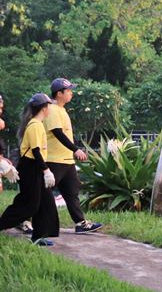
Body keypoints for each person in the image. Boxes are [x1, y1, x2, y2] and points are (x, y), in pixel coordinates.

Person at [0, 93, 59, 246]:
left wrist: (44, 170)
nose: (50, 109)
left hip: (36, 166)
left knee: (45, 202)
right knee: (29, 204)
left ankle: (38, 236)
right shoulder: (34, 125)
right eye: (49, 107)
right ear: (44, 108)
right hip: (30, 167)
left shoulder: (38, 124)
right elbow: (36, 151)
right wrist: (46, 171)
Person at [44, 78, 102, 233]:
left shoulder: (62, 109)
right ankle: (25, 220)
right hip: (54, 159)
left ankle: (81, 223)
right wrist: (76, 149)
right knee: (42, 193)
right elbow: (58, 133)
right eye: (68, 90)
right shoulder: (52, 109)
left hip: (66, 160)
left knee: (72, 192)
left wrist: (73, 151)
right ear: (59, 93)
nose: (71, 93)